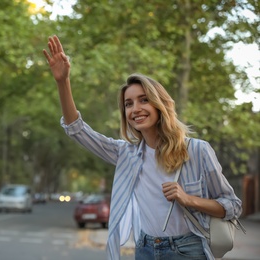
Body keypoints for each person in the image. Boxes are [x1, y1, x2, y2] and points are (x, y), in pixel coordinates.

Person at [42, 35, 242, 260]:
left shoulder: (197, 151)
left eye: (144, 100)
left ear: (160, 105)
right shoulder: (127, 154)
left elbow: (232, 205)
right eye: (129, 104)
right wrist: (63, 82)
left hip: (187, 250)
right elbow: (77, 130)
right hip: (145, 248)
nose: (135, 108)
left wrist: (188, 199)